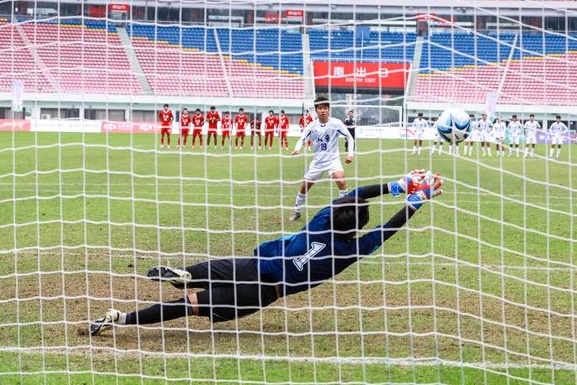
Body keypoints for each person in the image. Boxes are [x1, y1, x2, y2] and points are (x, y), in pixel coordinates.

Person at [89, 170, 443, 336]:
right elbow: (386, 231)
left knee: (199, 278)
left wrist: (397, 185)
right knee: (191, 307)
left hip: (252, 263)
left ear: (336, 211)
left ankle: (186, 273)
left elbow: (353, 196)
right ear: (358, 229)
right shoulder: (350, 251)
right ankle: (121, 318)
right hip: (263, 291)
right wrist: (415, 201)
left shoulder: (320, 222)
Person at [289, 95, 354, 222]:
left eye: (325, 108)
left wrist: (350, 154)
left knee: (341, 181)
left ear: (328, 109)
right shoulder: (312, 126)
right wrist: (297, 149)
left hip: (333, 161)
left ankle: (344, 212)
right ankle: (297, 211)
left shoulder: (336, 123)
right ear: (316, 110)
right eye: (320, 108)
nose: (323, 110)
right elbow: (302, 139)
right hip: (317, 162)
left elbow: (349, 137)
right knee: (305, 186)